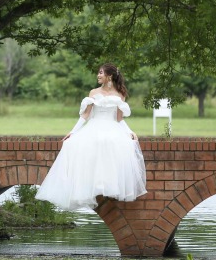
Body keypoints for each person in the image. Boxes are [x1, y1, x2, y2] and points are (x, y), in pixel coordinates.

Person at [35, 63, 146, 210]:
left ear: (110, 76)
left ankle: (106, 185)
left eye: (101, 73)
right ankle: (88, 186)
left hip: (112, 127)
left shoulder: (120, 94)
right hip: (94, 126)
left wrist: (129, 131)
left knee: (114, 144)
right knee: (76, 144)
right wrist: (73, 131)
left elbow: (119, 119)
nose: (98, 75)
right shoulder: (93, 92)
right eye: (98, 72)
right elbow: (85, 115)